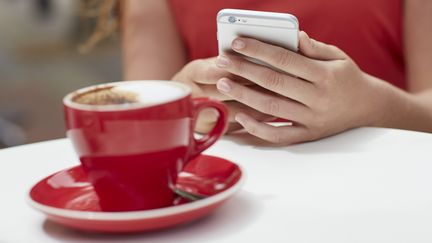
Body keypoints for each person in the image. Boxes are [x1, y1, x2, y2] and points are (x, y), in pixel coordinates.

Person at [118, 0, 432, 144]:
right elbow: (134, 120)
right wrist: (182, 105)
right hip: (229, 201)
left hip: (381, 179)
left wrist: (370, 105)